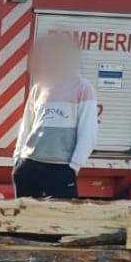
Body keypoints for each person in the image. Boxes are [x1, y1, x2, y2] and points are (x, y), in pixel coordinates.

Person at [13, 31, 97, 199]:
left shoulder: (83, 88)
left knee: (63, 215)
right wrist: (18, 159)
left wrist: (74, 166)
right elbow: (27, 125)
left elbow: (88, 131)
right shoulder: (39, 87)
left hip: (61, 168)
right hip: (29, 164)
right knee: (25, 215)